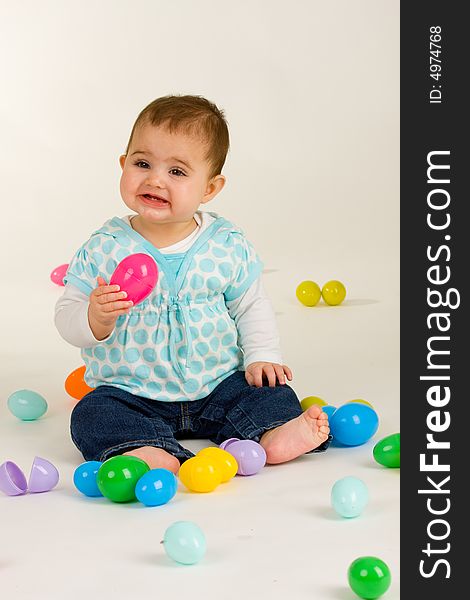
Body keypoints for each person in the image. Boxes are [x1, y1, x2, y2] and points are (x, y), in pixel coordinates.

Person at [55, 94, 331, 474]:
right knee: (92, 413)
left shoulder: (225, 244)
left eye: (177, 172)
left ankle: (273, 433)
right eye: (142, 163)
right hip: (131, 393)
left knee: (270, 392)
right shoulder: (105, 247)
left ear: (210, 188)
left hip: (219, 385)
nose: (154, 178)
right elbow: (66, 315)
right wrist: (94, 319)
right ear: (123, 164)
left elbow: (249, 304)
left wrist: (262, 355)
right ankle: (143, 447)